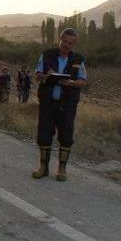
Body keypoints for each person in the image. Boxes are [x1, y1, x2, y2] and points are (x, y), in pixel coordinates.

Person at [32, 28, 88, 181]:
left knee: (66, 134)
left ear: (74, 43)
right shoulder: (47, 54)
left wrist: (70, 83)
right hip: (48, 103)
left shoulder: (79, 59)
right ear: (60, 39)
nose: (67, 45)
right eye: (65, 42)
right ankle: (43, 168)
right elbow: (37, 75)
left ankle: (62, 170)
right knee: (44, 133)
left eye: (71, 43)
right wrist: (46, 76)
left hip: (68, 104)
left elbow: (83, 81)